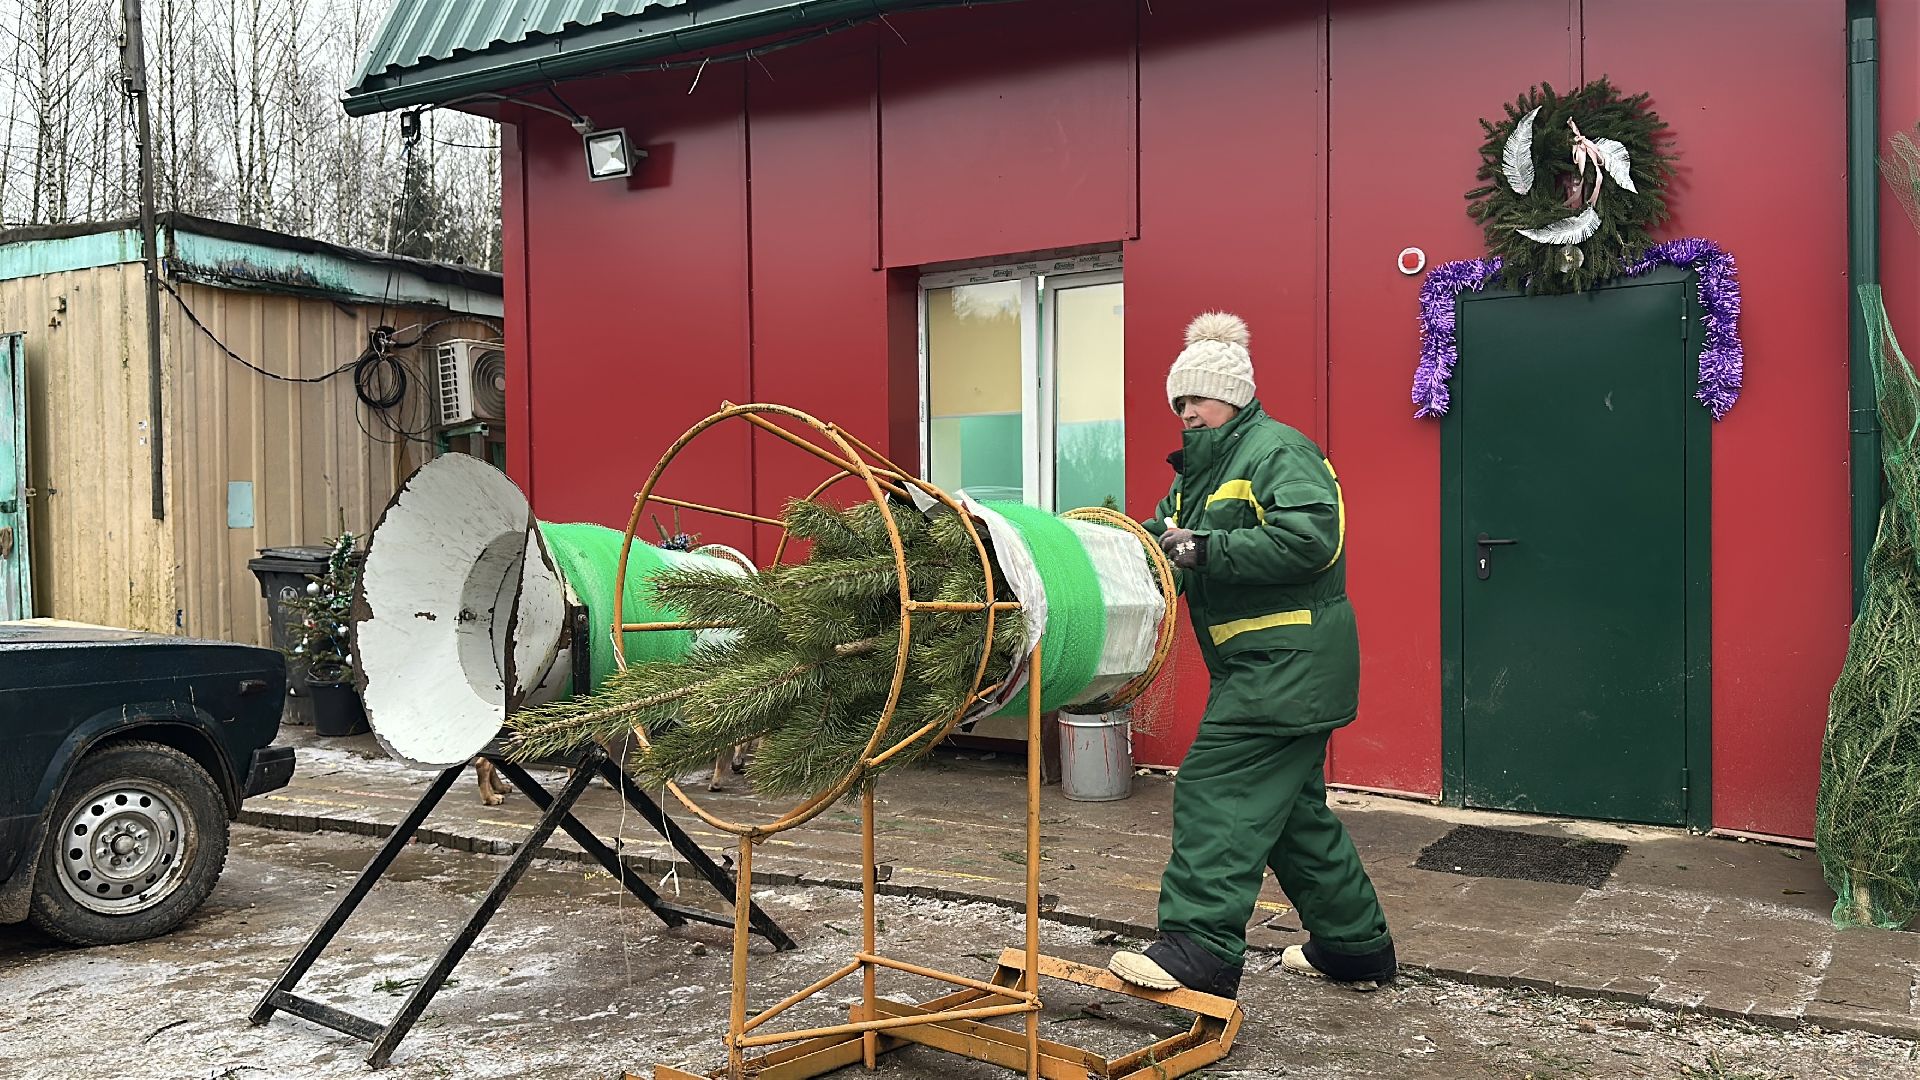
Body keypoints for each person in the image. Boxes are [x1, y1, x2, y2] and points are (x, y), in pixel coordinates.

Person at [1107, 311, 1396, 999]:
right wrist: (1103, 552)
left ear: (1232, 395)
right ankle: (1356, 949)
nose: (1186, 413)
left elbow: (1312, 538)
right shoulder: (1194, 482)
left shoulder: (1277, 452)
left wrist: (1207, 550)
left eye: (1197, 399)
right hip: (1264, 667)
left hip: (1289, 661)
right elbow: (1160, 546)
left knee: (1219, 788)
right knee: (1293, 818)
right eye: (1179, 402)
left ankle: (1199, 949)